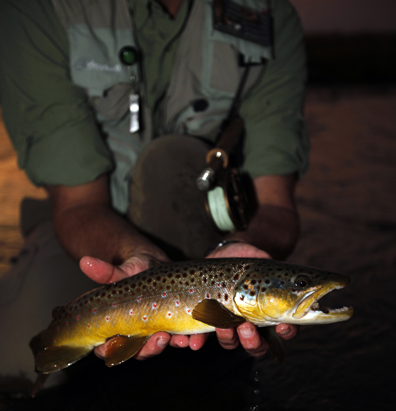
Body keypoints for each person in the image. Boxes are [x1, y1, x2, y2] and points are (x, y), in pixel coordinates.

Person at [0, 0, 309, 390]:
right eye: (298, 287)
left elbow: (276, 207)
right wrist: (134, 254)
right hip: (90, 233)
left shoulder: (268, 14)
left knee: (170, 160)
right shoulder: (37, 10)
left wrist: (244, 245)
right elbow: (78, 205)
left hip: (207, 236)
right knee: (21, 369)